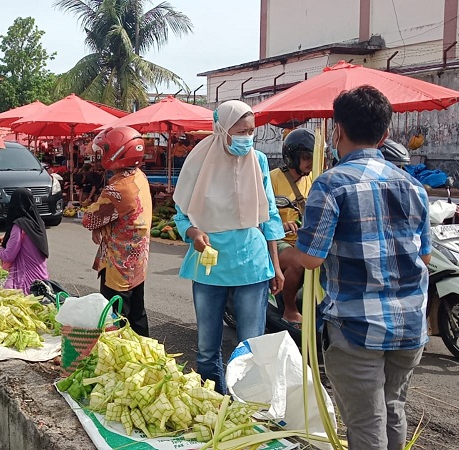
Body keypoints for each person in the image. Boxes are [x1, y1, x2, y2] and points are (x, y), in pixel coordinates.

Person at [291, 86, 431, 450]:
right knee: (393, 410)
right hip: (410, 327)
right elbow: (426, 257)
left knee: (367, 424)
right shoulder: (414, 187)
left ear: (337, 130)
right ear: (385, 135)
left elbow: (310, 259)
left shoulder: (331, 185)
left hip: (358, 329)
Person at [172, 100, 285, 395]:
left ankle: (246, 405)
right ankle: (214, 402)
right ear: (221, 129)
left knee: (251, 345)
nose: (247, 138)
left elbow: (269, 213)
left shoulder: (258, 160)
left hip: (252, 261)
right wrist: (192, 232)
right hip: (209, 264)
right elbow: (181, 214)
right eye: (241, 131)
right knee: (207, 347)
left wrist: (275, 264)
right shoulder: (198, 162)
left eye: (251, 132)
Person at [82, 126, 153, 338]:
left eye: (104, 150)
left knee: (117, 319)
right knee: (137, 314)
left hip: (118, 265)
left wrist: (98, 225)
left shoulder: (117, 190)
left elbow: (89, 219)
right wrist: (102, 224)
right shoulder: (139, 177)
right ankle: (146, 354)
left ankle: (122, 361)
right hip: (137, 262)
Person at [269, 128, 316, 326]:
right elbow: (261, 213)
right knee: (298, 262)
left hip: (304, 240)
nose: (310, 162)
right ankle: (290, 310)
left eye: (312, 157)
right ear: (291, 158)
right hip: (277, 241)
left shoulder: (313, 180)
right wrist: (281, 224)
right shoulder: (272, 179)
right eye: (305, 157)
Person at [0, 188, 50, 294]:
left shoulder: (19, 225)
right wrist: (7, 238)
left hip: (25, 283)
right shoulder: (38, 223)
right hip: (42, 279)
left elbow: (8, 255)